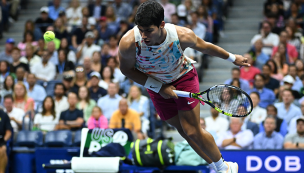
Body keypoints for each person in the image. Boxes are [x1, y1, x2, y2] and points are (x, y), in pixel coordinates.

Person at [118, 1, 250, 171]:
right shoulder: (129, 43)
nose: (143, 36)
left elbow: (207, 48)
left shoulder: (182, 35)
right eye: (141, 30)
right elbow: (126, 70)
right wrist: (160, 88)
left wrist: (232, 58)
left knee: (192, 130)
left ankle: (224, 167)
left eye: (149, 30)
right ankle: (214, 167)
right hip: (155, 85)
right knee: (182, 130)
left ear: (161, 25)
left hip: (183, 77)